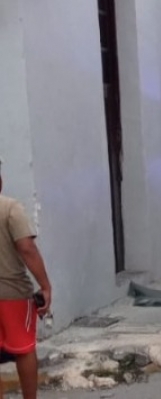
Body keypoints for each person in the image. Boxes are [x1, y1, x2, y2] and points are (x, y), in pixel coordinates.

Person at [0, 160, 53, 399]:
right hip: (13, 294)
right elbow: (26, 248)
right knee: (24, 348)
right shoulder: (10, 208)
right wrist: (45, 286)